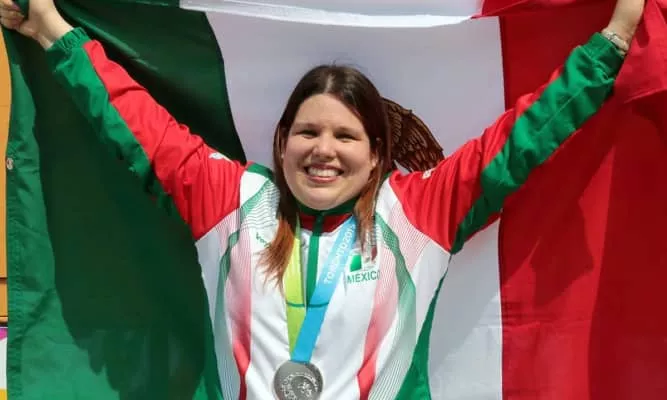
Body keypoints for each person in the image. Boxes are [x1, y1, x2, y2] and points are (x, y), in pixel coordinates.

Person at [0, 0, 646, 399]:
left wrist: (614, 40)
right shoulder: (229, 201)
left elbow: (524, 138)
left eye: (346, 136)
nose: (324, 150)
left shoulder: (419, 212)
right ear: (281, 142)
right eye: (308, 132)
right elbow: (131, 119)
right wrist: (53, 29)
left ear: (376, 153)